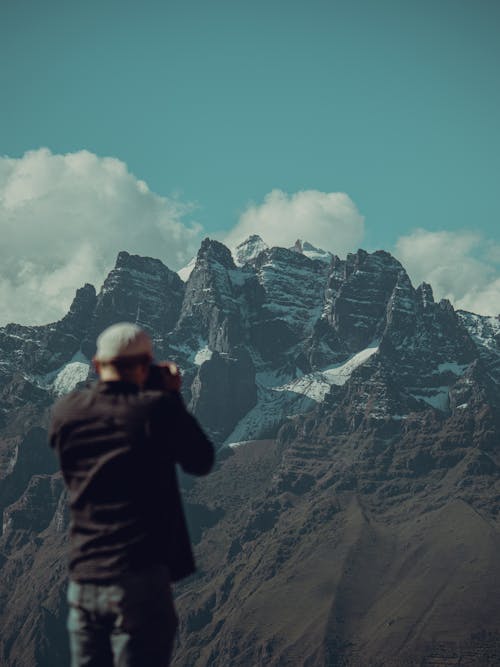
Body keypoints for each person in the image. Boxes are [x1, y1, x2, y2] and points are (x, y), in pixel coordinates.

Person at [49, 322, 214, 667]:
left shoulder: (66, 411)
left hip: (85, 577)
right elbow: (200, 460)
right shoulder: (156, 410)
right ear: (145, 365)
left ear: (96, 364)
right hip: (139, 575)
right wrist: (169, 394)